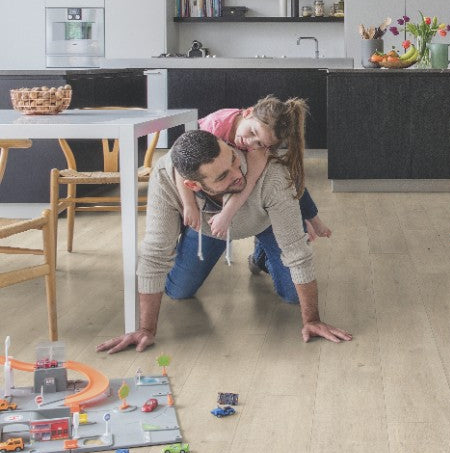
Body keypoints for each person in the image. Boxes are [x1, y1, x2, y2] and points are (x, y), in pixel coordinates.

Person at [96, 128, 352, 354]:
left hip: (266, 221)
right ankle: (207, 243)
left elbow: (297, 253)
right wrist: (145, 329)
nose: (237, 174)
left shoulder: (271, 174)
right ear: (192, 185)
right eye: (222, 177)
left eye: (232, 160)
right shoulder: (165, 178)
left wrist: (312, 320)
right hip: (209, 229)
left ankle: (261, 253)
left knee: (292, 295)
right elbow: (154, 254)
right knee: (178, 291)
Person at [178, 96, 331, 257]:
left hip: (253, 176)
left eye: (259, 143)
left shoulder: (260, 148)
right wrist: (189, 205)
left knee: (288, 180)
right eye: (252, 132)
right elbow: (185, 166)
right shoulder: (215, 126)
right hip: (219, 172)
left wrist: (226, 216)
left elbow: (250, 181)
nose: (249, 142)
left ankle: (311, 218)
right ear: (248, 113)